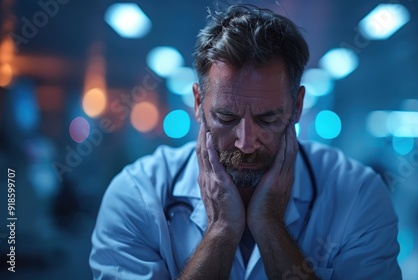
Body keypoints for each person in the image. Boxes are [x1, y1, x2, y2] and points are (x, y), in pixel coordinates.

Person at [89, 4, 401, 280]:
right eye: (226, 117)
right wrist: (221, 231)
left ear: (297, 106)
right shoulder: (135, 196)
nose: (246, 142)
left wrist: (271, 227)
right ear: (198, 103)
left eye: (267, 118)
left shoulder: (359, 195)